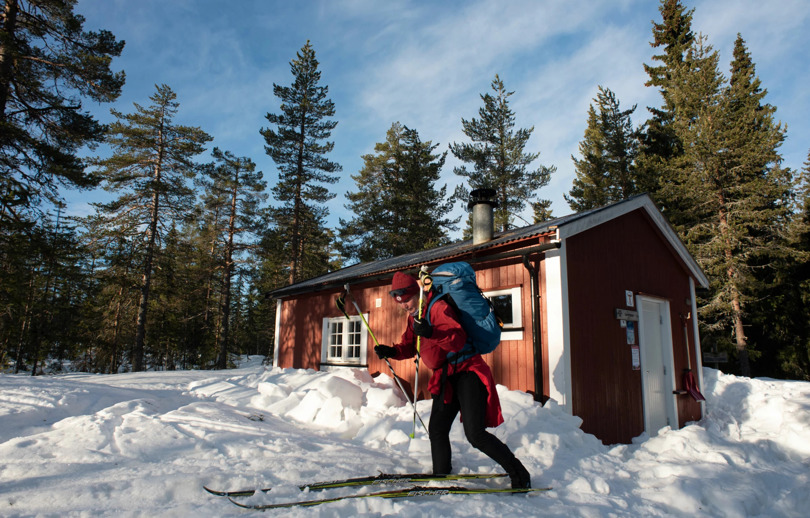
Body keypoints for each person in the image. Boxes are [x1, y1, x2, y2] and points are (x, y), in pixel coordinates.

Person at [375, 271, 532, 489]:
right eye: (400, 302)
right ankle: (441, 473)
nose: (405, 306)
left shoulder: (438, 307)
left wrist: (431, 332)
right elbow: (410, 346)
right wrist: (391, 351)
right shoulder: (414, 317)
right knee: (437, 429)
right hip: (445, 378)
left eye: (408, 300)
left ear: (417, 293)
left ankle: (520, 474)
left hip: (468, 372)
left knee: (475, 434)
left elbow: (457, 340)